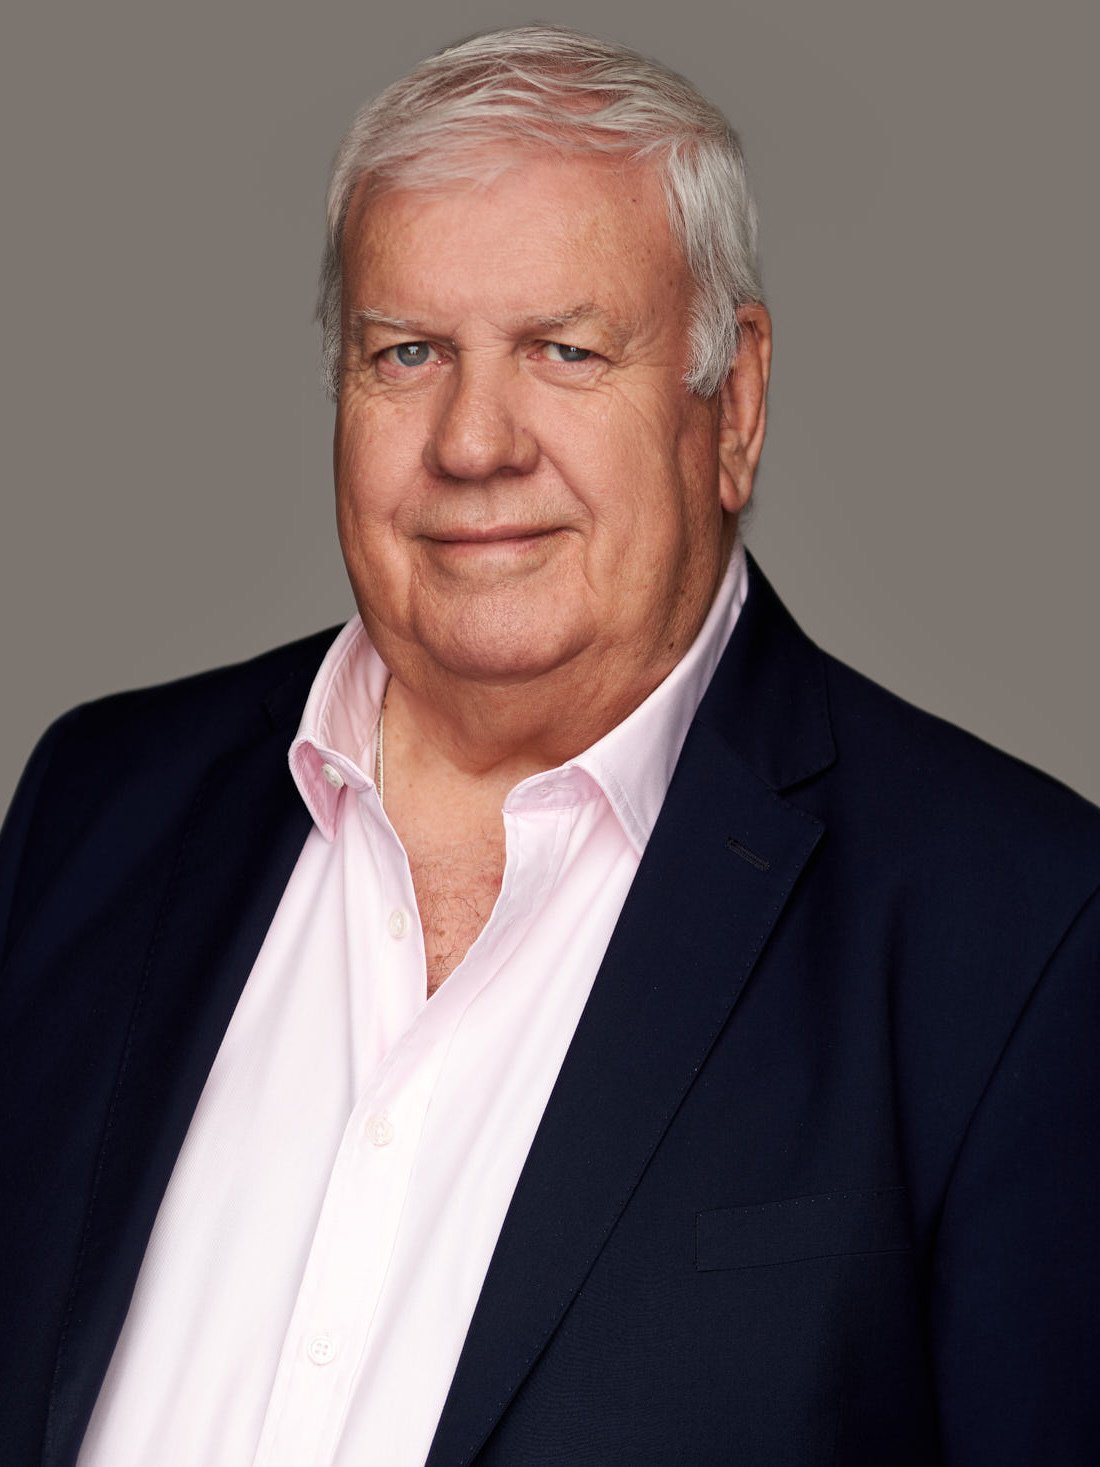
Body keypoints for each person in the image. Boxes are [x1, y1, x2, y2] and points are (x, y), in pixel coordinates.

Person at [1, 23, 1098, 1467]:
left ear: (735, 404)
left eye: (564, 352)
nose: (475, 443)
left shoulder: (1019, 934)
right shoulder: (95, 806)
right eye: (408, 353)